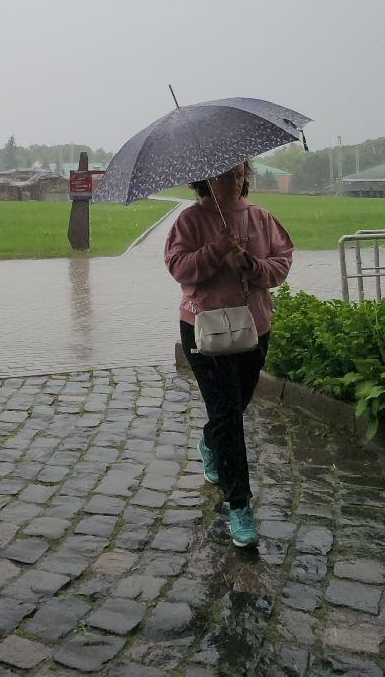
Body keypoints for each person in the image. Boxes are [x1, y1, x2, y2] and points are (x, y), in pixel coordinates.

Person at [164, 160, 294, 549]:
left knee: (234, 407)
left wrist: (250, 265)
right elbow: (178, 268)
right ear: (205, 179)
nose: (234, 182)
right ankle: (240, 504)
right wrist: (213, 252)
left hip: (254, 328)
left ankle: (210, 441)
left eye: (239, 175)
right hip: (204, 331)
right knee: (227, 416)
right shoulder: (189, 221)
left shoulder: (262, 219)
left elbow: (281, 264)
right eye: (225, 176)